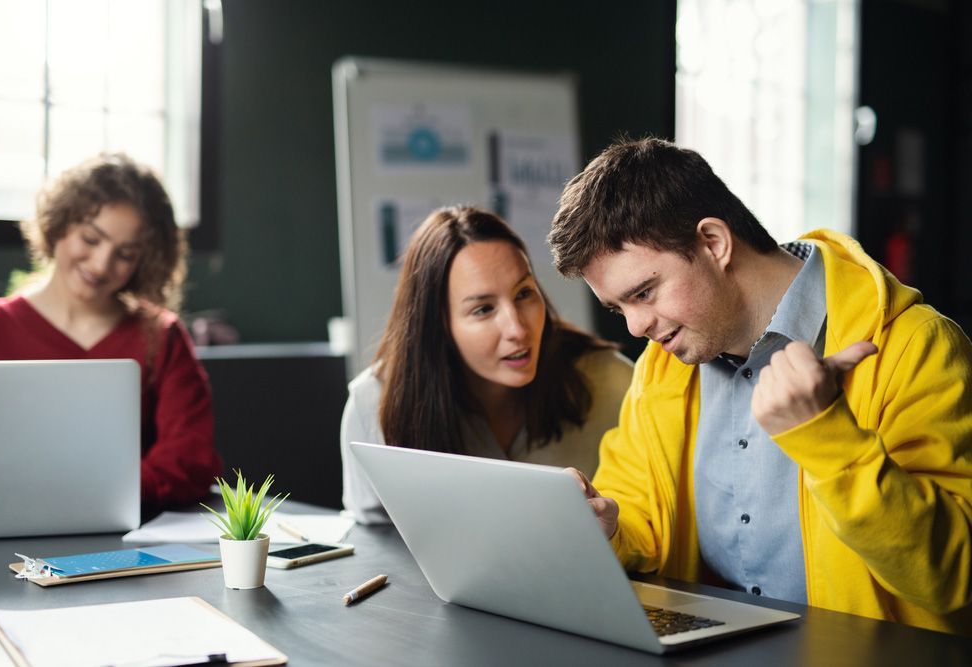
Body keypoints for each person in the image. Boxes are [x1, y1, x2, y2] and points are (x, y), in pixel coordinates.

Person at [548, 137, 972, 636]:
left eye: (644, 292)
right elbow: (644, 512)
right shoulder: (663, 368)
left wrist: (824, 436)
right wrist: (609, 527)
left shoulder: (914, 345)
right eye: (620, 308)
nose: (636, 327)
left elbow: (955, 575)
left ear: (714, 243)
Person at [341, 205, 633, 524]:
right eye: (483, 309)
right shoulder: (375, 404)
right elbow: (374, 539)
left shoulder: (611, 381)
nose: (517, 329)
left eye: (523, 293)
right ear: (438, 324)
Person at [0, 153, 221, 507]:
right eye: (90, 239)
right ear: (59, 225)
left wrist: (95, 497)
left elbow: (190, 458)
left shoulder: (161, 336)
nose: (101, 264)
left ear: (144, 261)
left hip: (131, 541)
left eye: (126, 254)